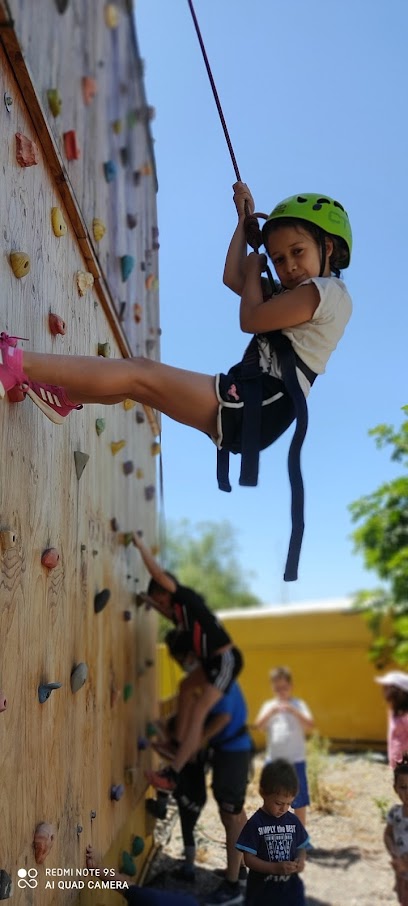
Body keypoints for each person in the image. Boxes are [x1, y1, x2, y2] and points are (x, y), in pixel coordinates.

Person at [0, 186, 352, 519]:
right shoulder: (294, 294)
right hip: (261, 409)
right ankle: (64, 396)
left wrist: (258, 264)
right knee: (135, 386)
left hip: (261, 403)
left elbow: (252, 318)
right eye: (278, 258)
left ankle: (14, 362)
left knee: (141, 371)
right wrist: (241, 225)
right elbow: (233, 277)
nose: (287, 265)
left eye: (297, 252)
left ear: (328, 247)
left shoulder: (328, 292)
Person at [133, 534, 243, 794]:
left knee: (198, 713)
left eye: (159, 599)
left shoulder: (182, 596)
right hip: (212, 662)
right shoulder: (183, 612)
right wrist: (148, 602)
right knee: (184, 688)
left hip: (225, 659)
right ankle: (175, 742)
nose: (162, 605)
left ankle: (173, 774)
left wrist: (141, 545)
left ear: (167, 591)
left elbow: (159, 575)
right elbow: (168, 613)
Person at [147, 630, 250, 906]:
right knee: (235, 814)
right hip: (231, 750)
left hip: (232, 750)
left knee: (231, 816)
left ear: (190, 656)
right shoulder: (208, 676)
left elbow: (222, 717)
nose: (183, 667)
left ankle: (232, 887)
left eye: (181, 660)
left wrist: (194, 743)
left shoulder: (215, 677)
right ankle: (238, 871)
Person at [236, 759, 309, 906]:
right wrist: (274, 868)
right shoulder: (255, 824)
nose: (284, 809)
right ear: (263, 792)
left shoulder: (293, 821)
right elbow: (248, 859)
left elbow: (301, 847)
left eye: (289, 804)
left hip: (291, 891)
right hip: (262, 893)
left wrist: (300, 860)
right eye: (279, 803)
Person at [254, 667, 314, 829]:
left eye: (284, 687)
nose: (281, 691)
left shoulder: (298, 704)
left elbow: (310, 725)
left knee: (299, 798)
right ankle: (273, 830)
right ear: (273, 688)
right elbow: (259, 726)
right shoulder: (269, 705)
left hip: (296, 761)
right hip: (273, 761)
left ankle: (301, 835)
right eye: (277, 688)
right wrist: (271, 712)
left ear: (291, 686)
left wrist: (293, 711)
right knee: (272, 796)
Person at [85, 845, 199, 906]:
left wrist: (96, 869)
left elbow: (125, 886)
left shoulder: (152, 899)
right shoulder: (151, 900)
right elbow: (125, 886)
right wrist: (96, 869)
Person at [384, 753, 408, 906]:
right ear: (395, 789)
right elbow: (388, 835)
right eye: (403, 787)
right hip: (401, 870)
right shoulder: (395, 813)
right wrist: (394, 854)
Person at [375, 672, 408, 769]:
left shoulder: (405, 715)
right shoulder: (393, 711)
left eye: (386, 688)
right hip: (397, 762)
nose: (383, 691)